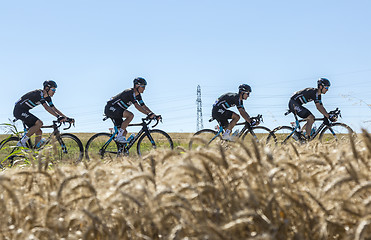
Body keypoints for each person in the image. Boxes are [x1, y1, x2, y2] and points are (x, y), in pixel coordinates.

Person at [13, 80, 71, 147]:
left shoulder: (47, 97)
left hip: (25, 111)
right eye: (53, 89)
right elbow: (46, 107)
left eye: (55, 90)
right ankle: (22, 142)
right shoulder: (39, 94)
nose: (54, 92)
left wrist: (65, 118)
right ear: (47, 88)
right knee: (39, 123)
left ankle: (35, 152)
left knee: (39, 132)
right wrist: (58, 117)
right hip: (19, 110)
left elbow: (53, 108)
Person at [104, 77, 160, 143]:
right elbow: (137, 106)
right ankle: (119, 137)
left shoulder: (138, 95)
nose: (144, 88)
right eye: (142, 86)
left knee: (124, 132)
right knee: (130, 115)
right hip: (110, 108)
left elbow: (143, 106)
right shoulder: (130, 92)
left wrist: (153, 114)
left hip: (117, 110)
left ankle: (121, 151)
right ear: (137, 86)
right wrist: (148, 114)